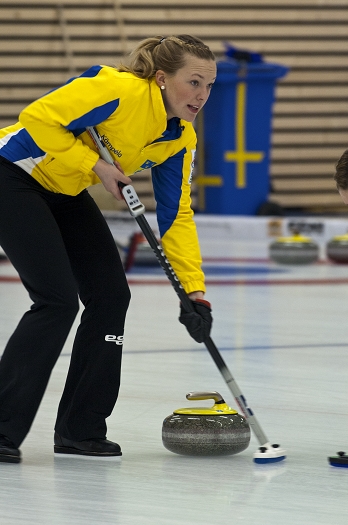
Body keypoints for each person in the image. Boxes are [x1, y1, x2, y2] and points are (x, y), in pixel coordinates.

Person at [0, 35, 216, 463]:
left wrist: (194, 291)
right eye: (193, 82)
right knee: (57, 300)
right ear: (161, 78)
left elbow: (177, 217)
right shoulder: (116, 89)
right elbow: (37, 117)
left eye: (209, 86)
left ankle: (80, 429)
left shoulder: (178, 139)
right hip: (14, 173)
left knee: (111, 295)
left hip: (64, 188)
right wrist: (95, 166)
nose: (202, 95)